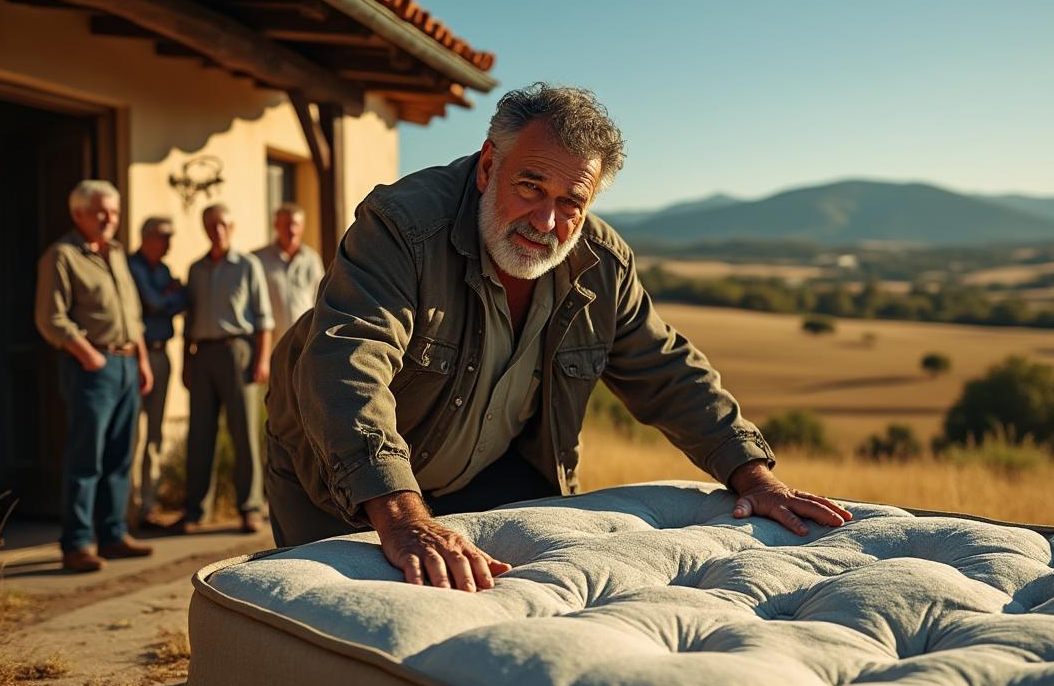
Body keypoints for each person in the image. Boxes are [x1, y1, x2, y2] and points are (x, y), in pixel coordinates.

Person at [264, 83, 852, 591]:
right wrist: (402, 516)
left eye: (571, 202)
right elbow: (348, 362)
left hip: (488, 475)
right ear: (488, 166)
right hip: (343, 471)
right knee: (335, 626)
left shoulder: (600, 263)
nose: (546, 222)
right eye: (530, 186)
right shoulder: (401, 226)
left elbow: (669, 373)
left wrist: (754, 475)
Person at [35, 180, 155, 572]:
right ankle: (77, 544)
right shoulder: (62, 256)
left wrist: (141, 361)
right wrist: (89, 356)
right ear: (78, 213)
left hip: (126, 365)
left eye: (114, 212)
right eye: (101, 211)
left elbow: (132, 314)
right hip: (92, 367)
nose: (109, 219)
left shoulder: (117, 253)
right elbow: (51, 318)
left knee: (121, 455)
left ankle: (113, 535)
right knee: (86, 457)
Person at [181, 203, 274, 534]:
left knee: (244, 434)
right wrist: (186, 362)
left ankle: (250, 508)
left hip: (239, 353)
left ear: (231, 228)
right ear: (205, 229)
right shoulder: (195, 269)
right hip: (202, 354)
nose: (217, 230)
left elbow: (263, 319)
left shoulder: (247, 265)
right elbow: (189, 322)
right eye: (210, 225)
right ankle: (196, 511)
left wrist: (262, 360)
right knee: (199, 434)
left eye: (222, 224)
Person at [128, 216, 188, 528]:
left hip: (162, 354)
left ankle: (147, 507)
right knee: (130, 435)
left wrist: (168, 296)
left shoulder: (162, 270)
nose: (169, 243)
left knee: (154, 435)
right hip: (135, 358)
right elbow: (153, 303)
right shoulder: (132, 266)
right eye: (164, 237)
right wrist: (168, 295)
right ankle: (126, 507)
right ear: (148, 237)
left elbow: (183, 301)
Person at [254, 203, 325, 349]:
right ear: (276, 226)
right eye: (287, 224)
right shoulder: (258, 260)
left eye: (296, 224)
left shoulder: (312, 259)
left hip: (304, 344)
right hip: (272, 347)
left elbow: (320, 300)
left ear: (303, 226)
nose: (292, 230)